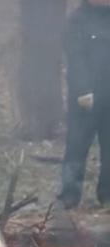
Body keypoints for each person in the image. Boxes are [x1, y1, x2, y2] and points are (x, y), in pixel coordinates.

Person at [58, 0, 110, 209]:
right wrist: (82, 89)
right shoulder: (77, 20)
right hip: (85, 100)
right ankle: (70, 195)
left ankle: (107, 195)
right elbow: (75, 58)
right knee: (76, 148)